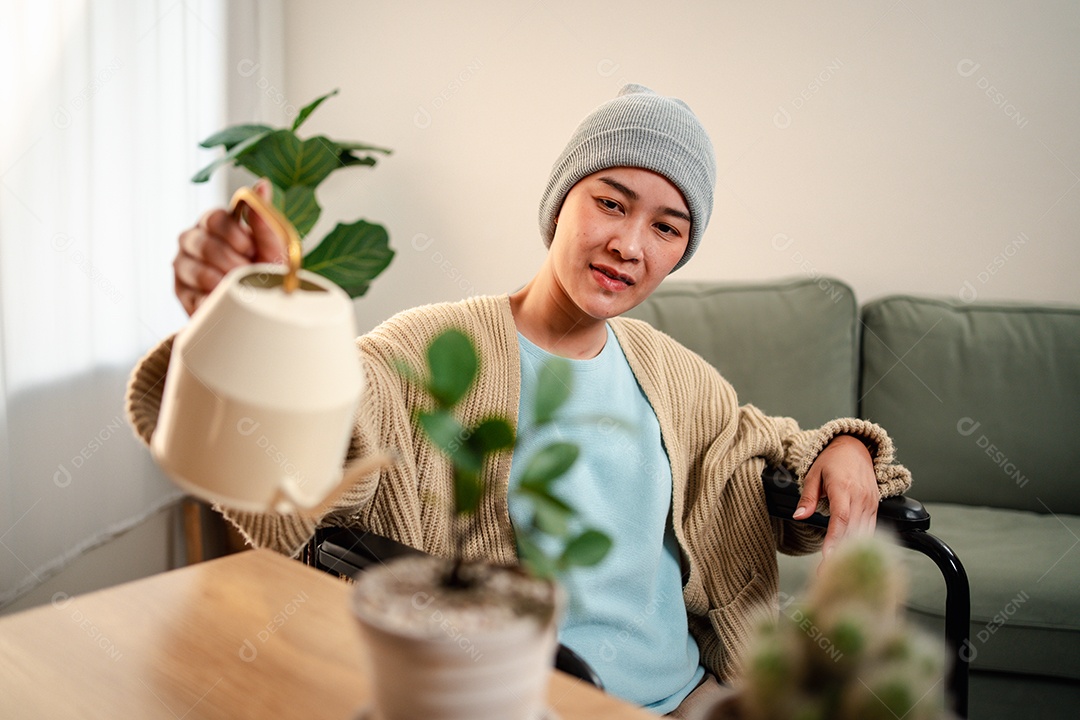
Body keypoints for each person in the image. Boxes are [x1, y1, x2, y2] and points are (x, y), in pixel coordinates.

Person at [129, 84, 911, 716]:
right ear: (561, 200)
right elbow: (310, 441)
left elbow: (764, 450)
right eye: (611, 202)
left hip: (693, 699)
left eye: (667, 227)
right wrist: (243, 319)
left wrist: (844, 448)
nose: (630, 245)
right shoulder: (429, 353)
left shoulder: (678, 379)